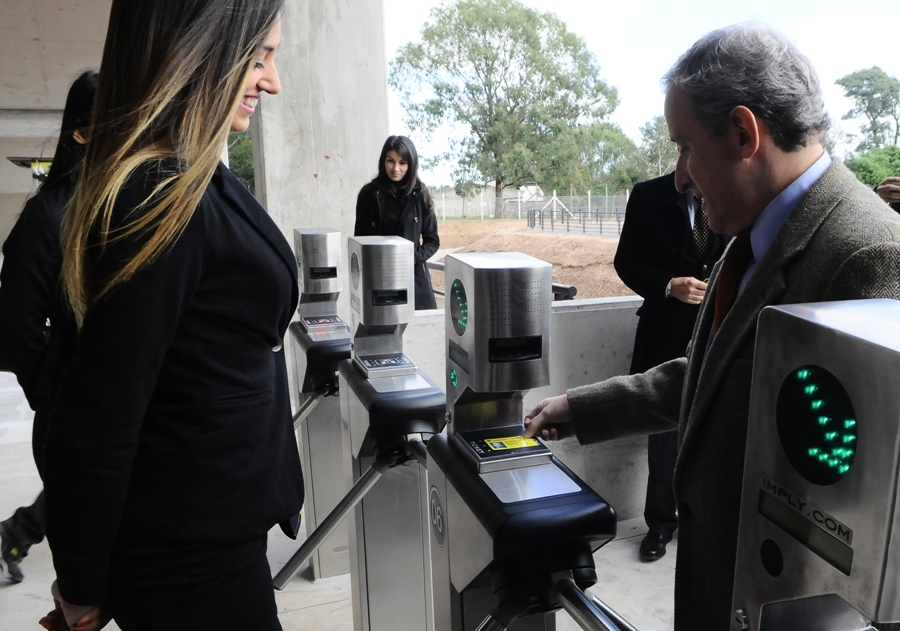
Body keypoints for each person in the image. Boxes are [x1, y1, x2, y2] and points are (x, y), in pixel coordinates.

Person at [524, 24, 900, 630]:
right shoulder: (750, 234)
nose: (679, 176)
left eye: (685, 147)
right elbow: (717, 371)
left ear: (745, 133)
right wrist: (585, 407)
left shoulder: (868, 254)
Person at [41, 2, 304, 630]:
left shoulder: (189, 176)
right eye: (260, 56)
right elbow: (101, 414)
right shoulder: (157, 195)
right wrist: (81, 582)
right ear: (200, 48)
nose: (271, 80)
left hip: (209, 541)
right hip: (187, 563)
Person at [0, 70, 97, 585]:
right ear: (80, 134)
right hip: (71, 415)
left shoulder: (126, 212)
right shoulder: (48, 216)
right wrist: (53, 394)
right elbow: (16, 327)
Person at [613, 173, 728, 562]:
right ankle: (660, 526)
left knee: (716, 431)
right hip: (663, 333)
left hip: (719, 330)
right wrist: (668, 285)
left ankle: (706, 525)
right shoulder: (648, 195)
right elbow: (625, 261)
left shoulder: (730, 186)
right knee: (663, 433)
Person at [355, 135, 440, 309]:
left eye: (402, 163)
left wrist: (409, 258)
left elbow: (433, 241)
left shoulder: (420, 194)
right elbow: (359, 242)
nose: (396, 168)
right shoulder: (368, 194)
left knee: (421, 334)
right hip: (380, 283)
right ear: (383, 161)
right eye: (390, 161)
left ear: (411, 165)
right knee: (383, 334)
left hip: (415, 282)